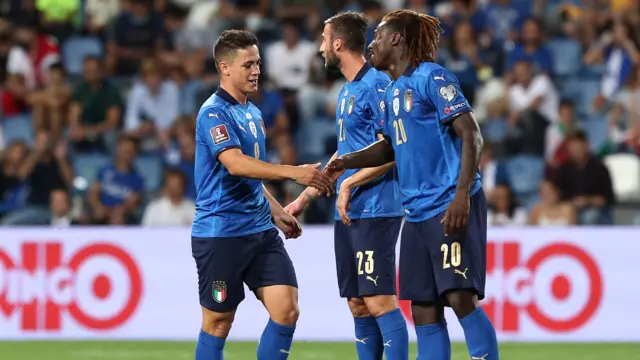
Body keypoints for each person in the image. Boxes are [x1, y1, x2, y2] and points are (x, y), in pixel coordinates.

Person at [326, 10, 500, 360]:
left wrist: (462, 195)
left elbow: (471, 134)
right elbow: (389, 146)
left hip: (448, 203)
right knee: (422, 306)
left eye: (377, 37)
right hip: (416, 213)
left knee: (459, 296)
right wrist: (347, 160)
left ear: (396, 39)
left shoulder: (432, 78)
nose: (371, 45)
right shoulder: (394, 92)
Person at [191, 30, 334, 360]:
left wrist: (274, 210)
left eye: (258, 63)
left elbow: (253, 177)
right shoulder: (213, 113)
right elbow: (236, 164)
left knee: (287, 311)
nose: (256, 71)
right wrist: (293, 171)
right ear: (224, 68)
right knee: (218, 323)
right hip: (221, 235)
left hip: (260, 232)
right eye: (247, 65)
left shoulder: (253, 113)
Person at [285, 12, 408, 360]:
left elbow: (397, 148)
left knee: (379, 300)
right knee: (357, 303)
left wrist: (350, 183)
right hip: (350, 213)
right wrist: (305, 199)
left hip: (378, 207)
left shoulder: (378, 86)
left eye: (325, 40)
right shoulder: (347, 91)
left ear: (338, 43)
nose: (321, 47)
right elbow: (346, 153)